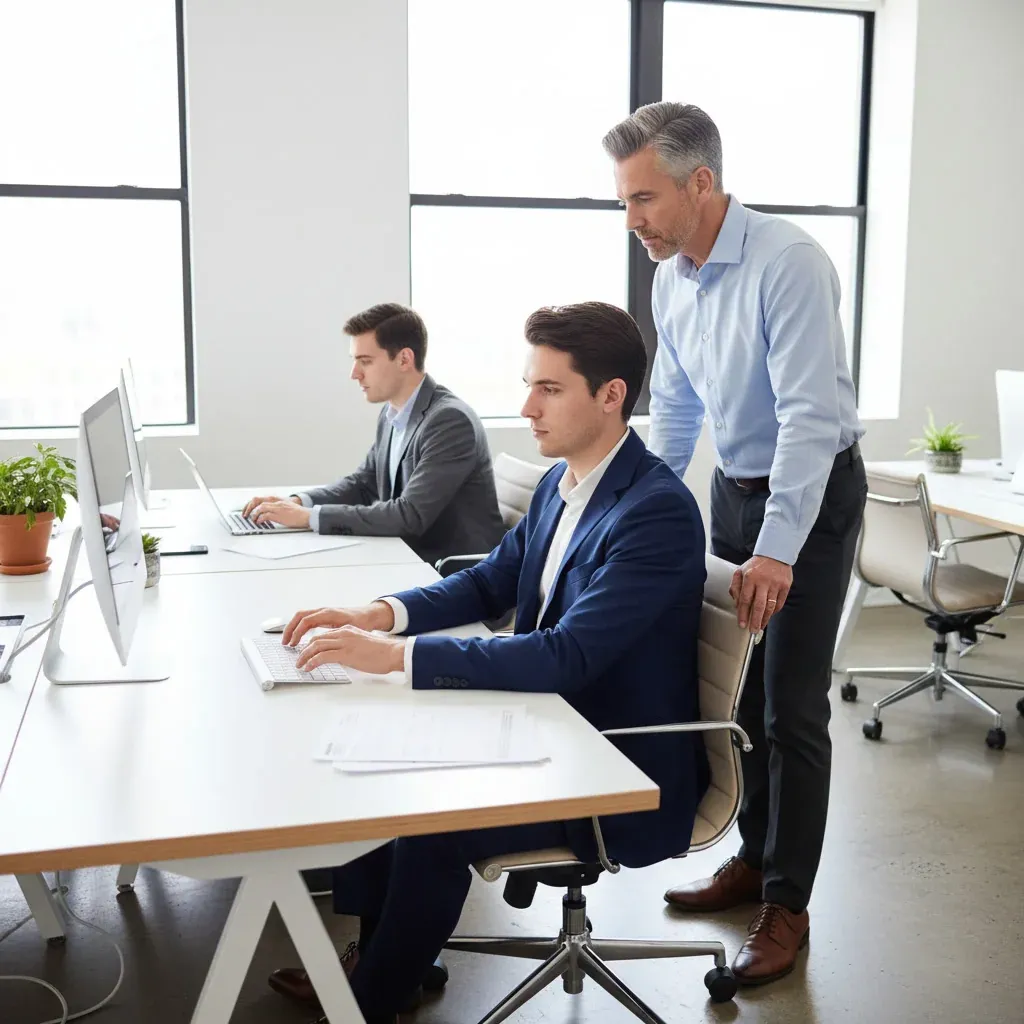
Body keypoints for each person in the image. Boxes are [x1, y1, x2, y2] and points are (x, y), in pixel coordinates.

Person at [266, 301, 710, 1024]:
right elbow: (487, 583)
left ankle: (370, 999)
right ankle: (389, 964)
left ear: (612, 395)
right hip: (552, 724)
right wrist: (378, 613)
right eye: (528, 384)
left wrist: (397, 657)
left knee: (435, 819)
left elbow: (566, 656)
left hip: (614, 762)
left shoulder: (654, 511)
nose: (527, 407)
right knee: (383, 775)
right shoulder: (564, 483)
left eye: (549, 389)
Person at [603, 102, 867, 986]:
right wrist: (634, 499)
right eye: (625, 202)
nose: (631, 219)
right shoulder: (671, 277)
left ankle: (787, 907)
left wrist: (780, 549)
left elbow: (808, 422)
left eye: (643, 198)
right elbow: (677, 410)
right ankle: (753, 860)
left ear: (701, 182)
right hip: (734, 494)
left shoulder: (788, 263)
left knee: (793, 709)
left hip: (811, 496)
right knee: (742, 700)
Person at [242, 303, 505, 567]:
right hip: (405, 558)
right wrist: (296, 502)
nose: (354, 374)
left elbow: (409, 515)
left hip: (447, 574)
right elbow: (363, 483)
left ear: (404, 359)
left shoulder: (449, 421)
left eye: (365, 361)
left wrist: (308, 517)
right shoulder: (392, 413)